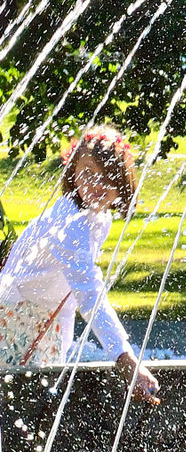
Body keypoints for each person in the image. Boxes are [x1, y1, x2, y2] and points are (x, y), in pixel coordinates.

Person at [0, 127, 160, 402]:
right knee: (17, 403)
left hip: (42, 322)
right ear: (73, 173)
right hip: (13, 318)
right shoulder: (69, 224)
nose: (96, 184)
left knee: (25, 406)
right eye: (87, 173)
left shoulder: (98, 219)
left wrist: (62, 344)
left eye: (107, 176)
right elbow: (89, 293)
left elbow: (69, 297)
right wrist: (126, 359)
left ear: (122, 180)